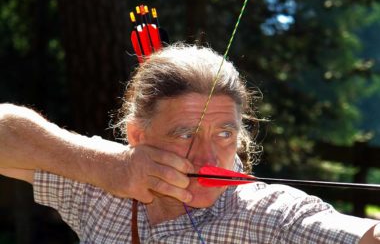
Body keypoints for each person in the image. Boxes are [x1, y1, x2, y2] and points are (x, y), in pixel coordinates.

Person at [0, 44, 379, 243]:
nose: (207, 155)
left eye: (224, 134)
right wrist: (111, 167)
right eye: (185, 134)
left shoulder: (269, 213)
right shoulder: (102, 189)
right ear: (137, 136)